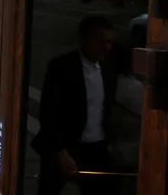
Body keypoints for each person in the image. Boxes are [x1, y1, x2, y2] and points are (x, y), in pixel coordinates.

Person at [32, 15, 119, 195]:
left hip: (96, 146)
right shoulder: (61, 67)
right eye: (100, 42)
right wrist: (61, 153)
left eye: (109, 42)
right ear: (84, 40)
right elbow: (49, 114)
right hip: (65, 145)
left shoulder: (108, 67)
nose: (106, 47)